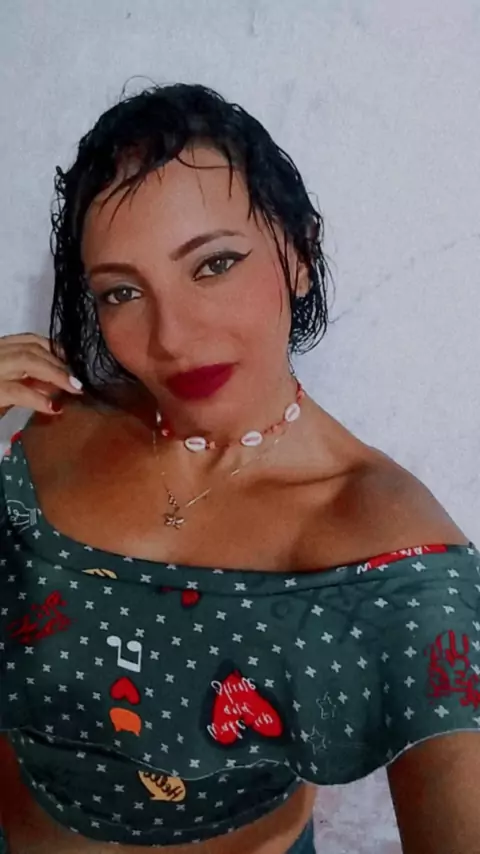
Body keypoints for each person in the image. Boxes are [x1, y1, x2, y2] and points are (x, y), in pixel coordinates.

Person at [0, 81, 479, 854]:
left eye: (214, 264)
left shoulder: (390, 552)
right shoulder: (52, 426)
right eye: (122, 291)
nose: (173, 337)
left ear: (299, 253)